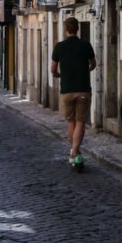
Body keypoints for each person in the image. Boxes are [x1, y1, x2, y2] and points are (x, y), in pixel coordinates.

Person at [50, 17, 96, 167]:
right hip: (83, 89)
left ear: (66, 29)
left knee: (71, 122)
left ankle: (74, 152)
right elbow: (93, 64)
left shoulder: (59, 47)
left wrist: (57, 75)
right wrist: (86, 70)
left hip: (67, 90)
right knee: (81, 122)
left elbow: (53, 69)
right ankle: (75, 152)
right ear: (78, 29)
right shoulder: (85, 45)